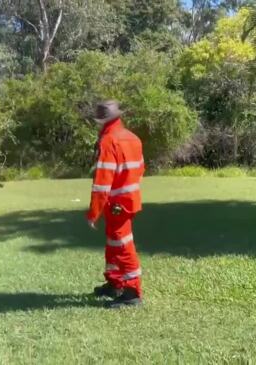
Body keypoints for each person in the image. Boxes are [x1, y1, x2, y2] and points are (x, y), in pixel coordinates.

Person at [87, 100, 146, 308]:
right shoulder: (133, 138)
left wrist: (94, 212)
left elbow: (103, 182)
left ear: (102, 121)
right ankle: (115, 283)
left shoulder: (108, 141)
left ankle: (132, 291)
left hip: (116, 202)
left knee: (122, 244)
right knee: (114, 243)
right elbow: (140, 169)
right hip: (129, 199)